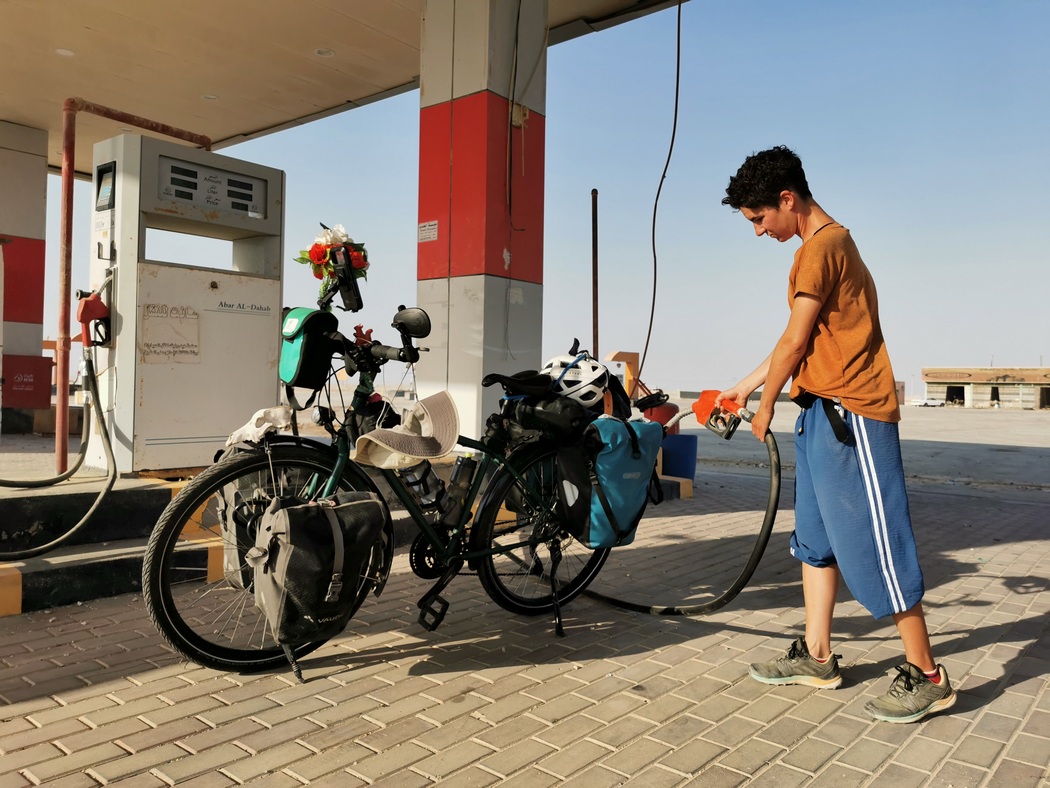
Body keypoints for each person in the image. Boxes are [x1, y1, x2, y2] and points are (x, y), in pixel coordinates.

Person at [716, 146, 956, 723]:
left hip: (853, 417)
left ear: (786, 200)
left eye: (758, 219)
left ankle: (928, 675)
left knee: (878, 544)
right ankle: (819, 656)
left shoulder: (821, 249)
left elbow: (795, 343)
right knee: (816, 542)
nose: (758, 232)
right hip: (820, 413)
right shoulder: (819, 249)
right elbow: (796, 339)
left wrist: (764, 402)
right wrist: (746, 386)